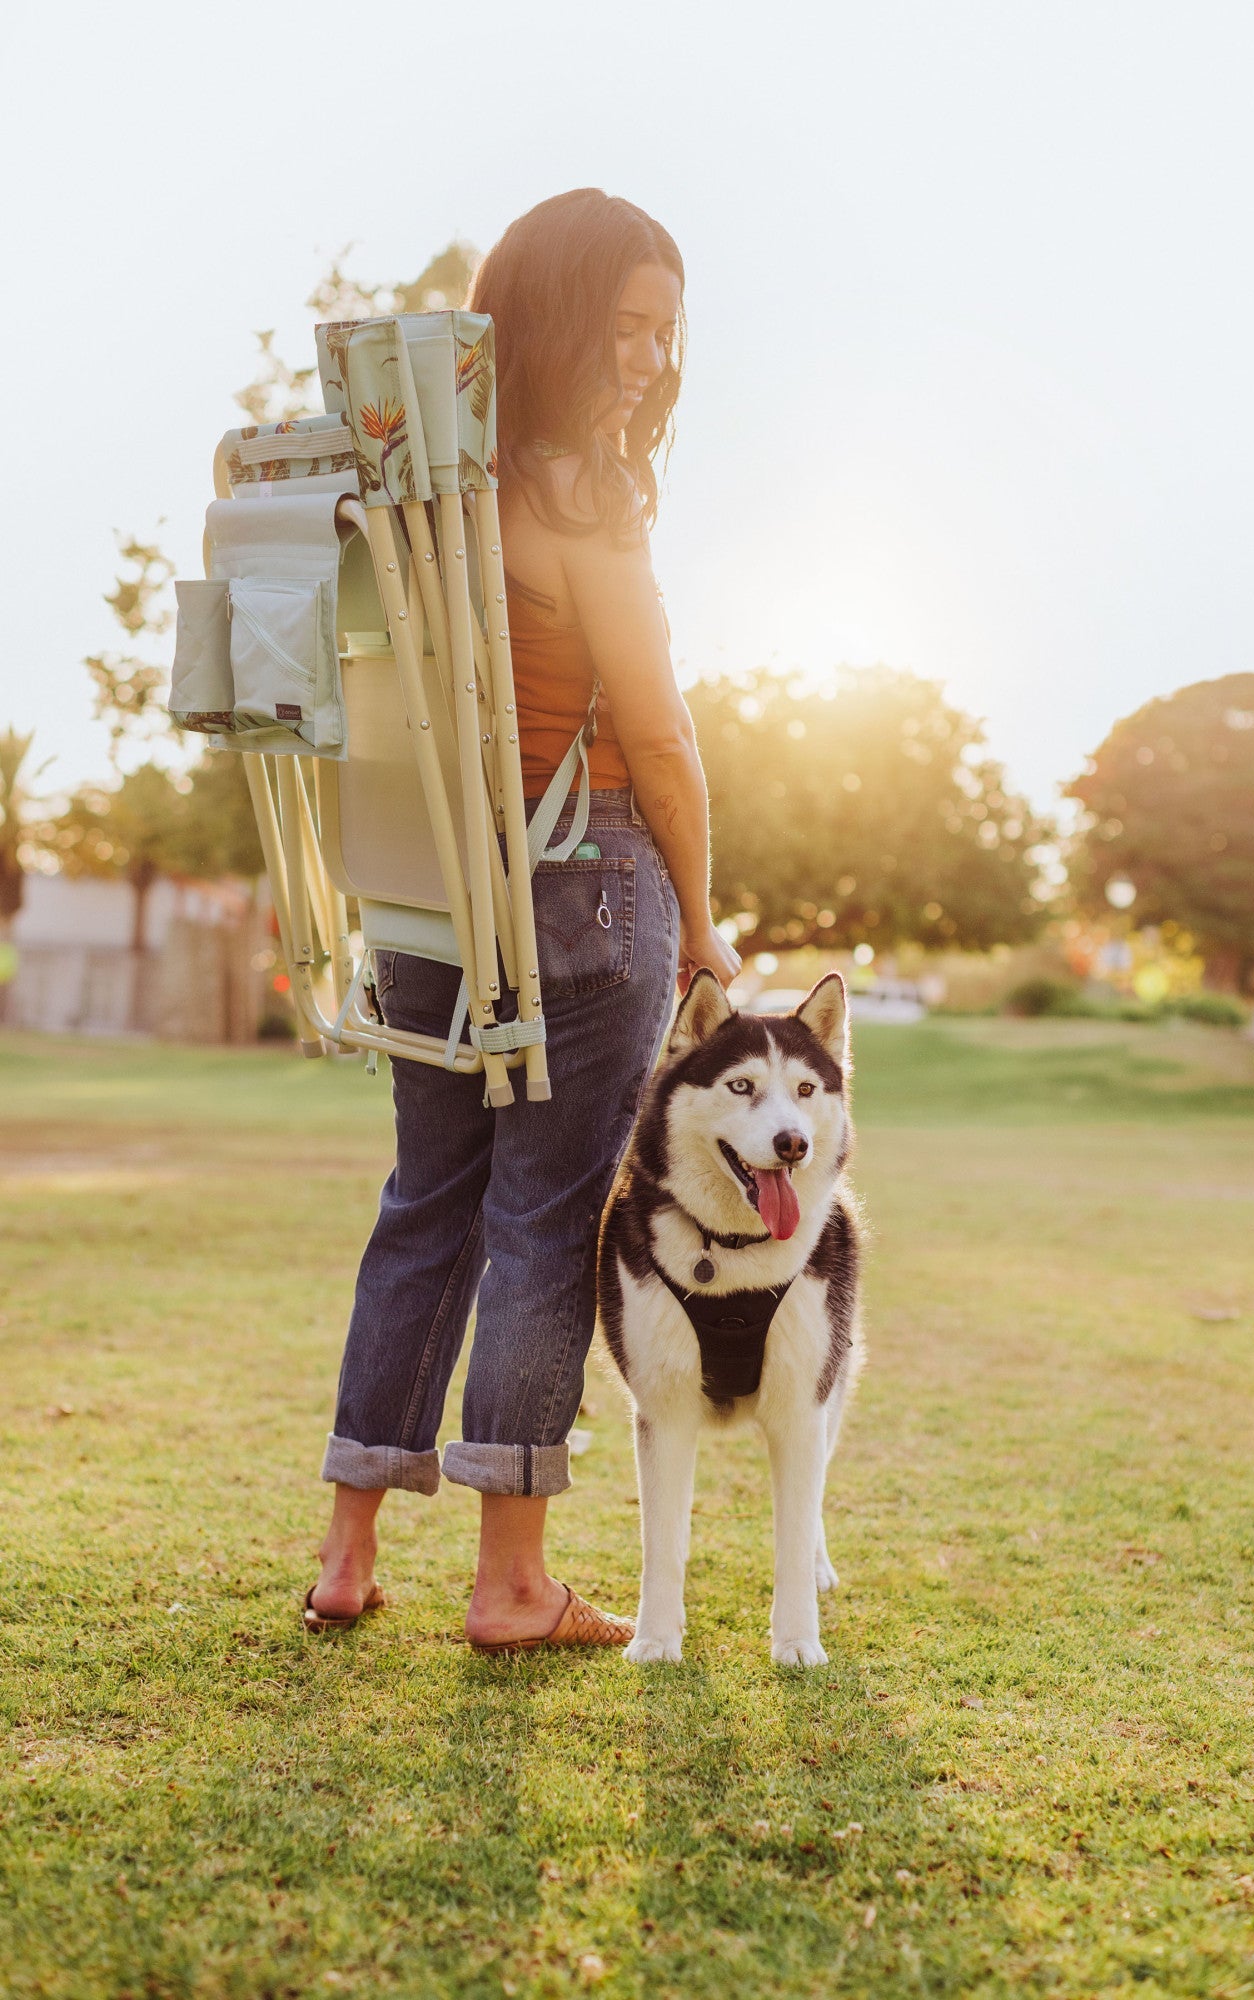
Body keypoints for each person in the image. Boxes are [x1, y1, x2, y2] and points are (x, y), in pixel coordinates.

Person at [306, 189, 741, 1649]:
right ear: (550, 320)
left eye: (665, 337)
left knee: (423, 1205)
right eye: (622, 327)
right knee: (543, 1224)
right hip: (586, 878)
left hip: (431, 893)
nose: (646, 362)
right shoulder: (578, 495)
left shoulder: (418, 494)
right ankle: (509, 1584)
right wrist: (704, 921)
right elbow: (663, 742)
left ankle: (349, 1553)